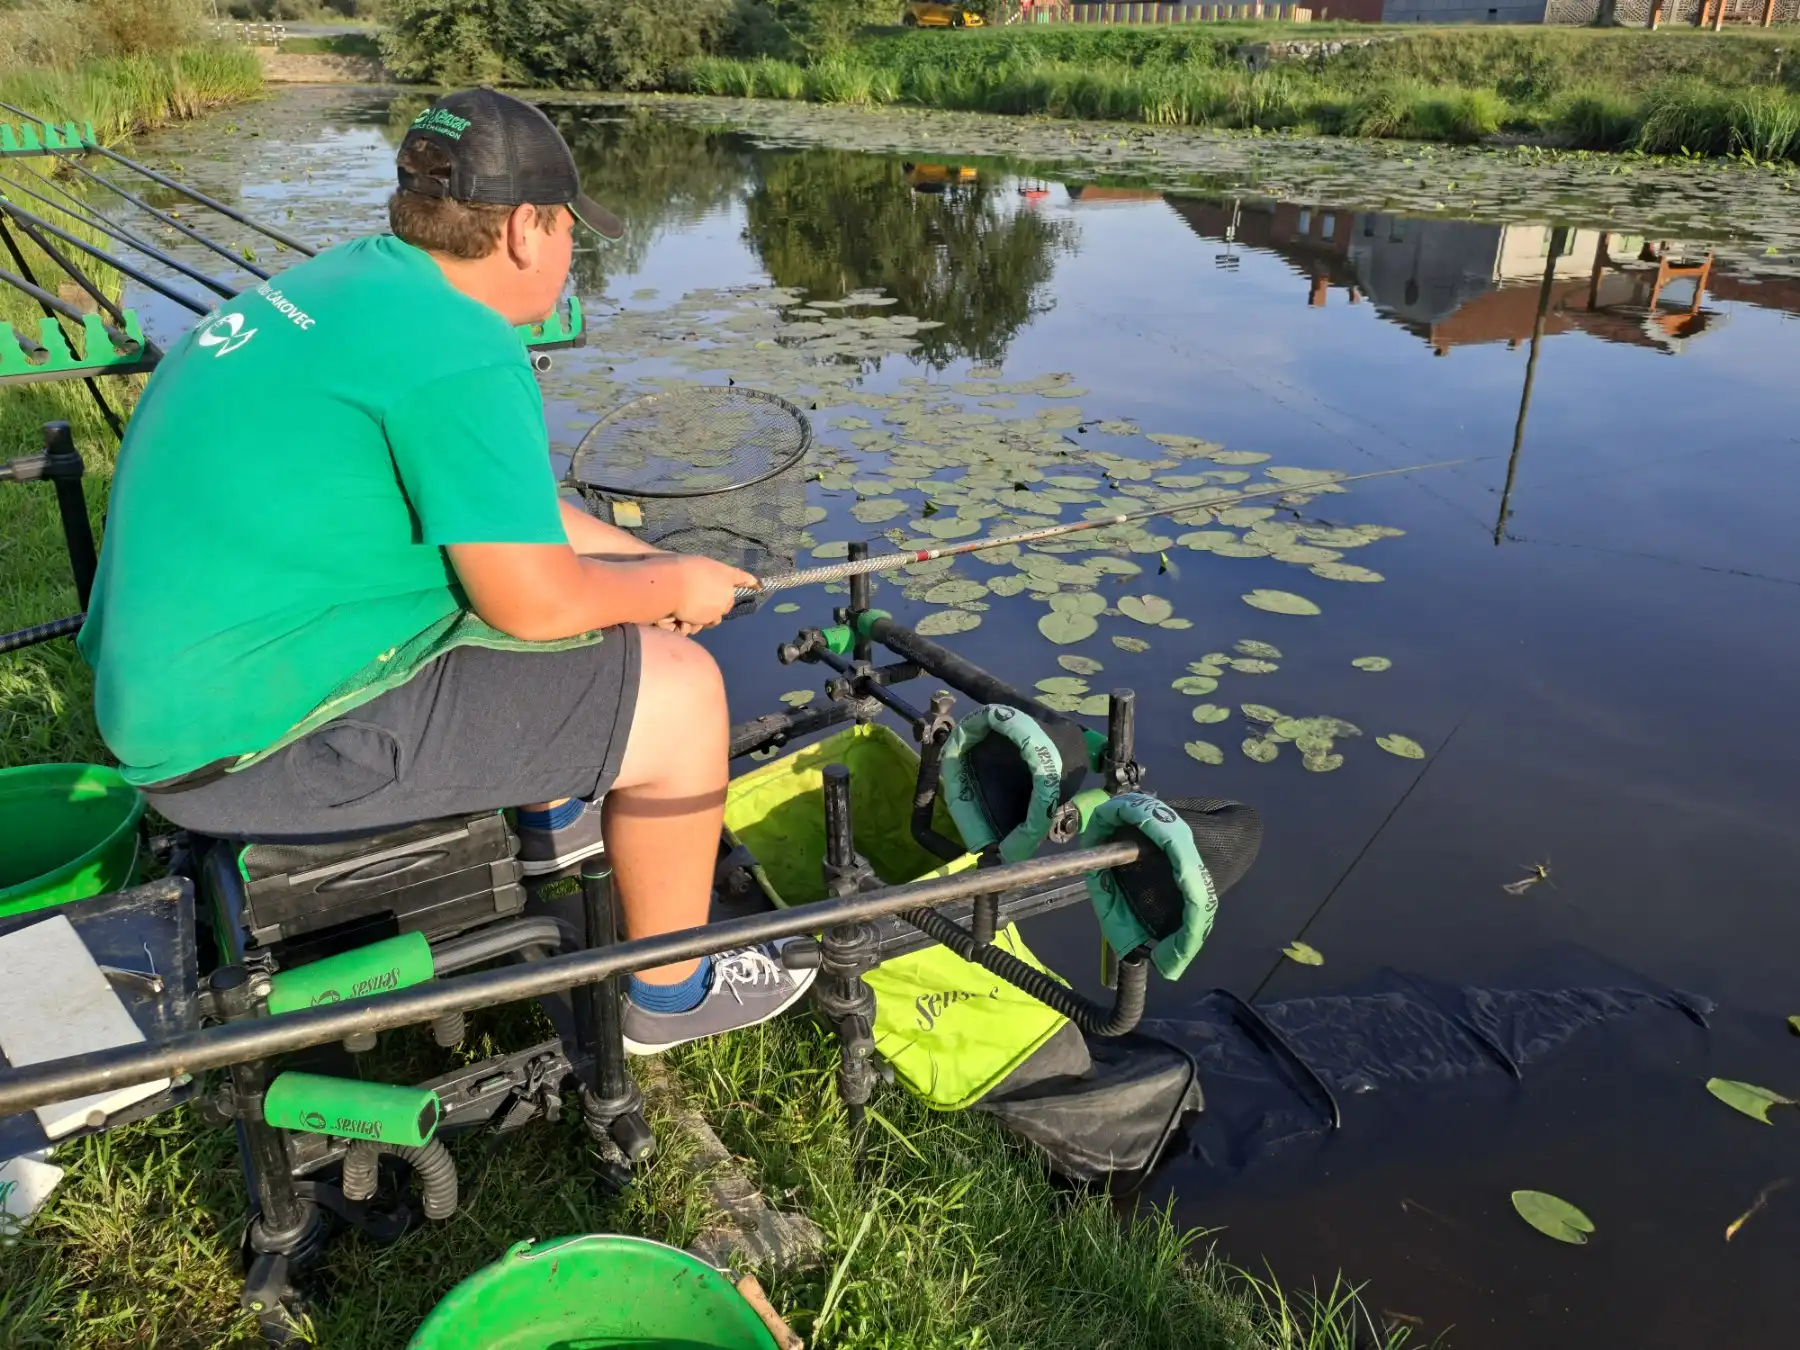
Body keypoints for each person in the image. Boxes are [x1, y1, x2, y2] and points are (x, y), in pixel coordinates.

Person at [78, 89, 813, 1054]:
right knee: (682, 694)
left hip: (175, 685)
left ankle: (554, 815)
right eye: (567, 232)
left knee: (548, 604)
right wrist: (675, 595)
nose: (567, 256)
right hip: (236, 744)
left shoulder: (356, 282)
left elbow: (504, 517)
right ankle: (668, 995)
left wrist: (650, 561)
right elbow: (534, 596)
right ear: (522, 228)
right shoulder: (463, 350)